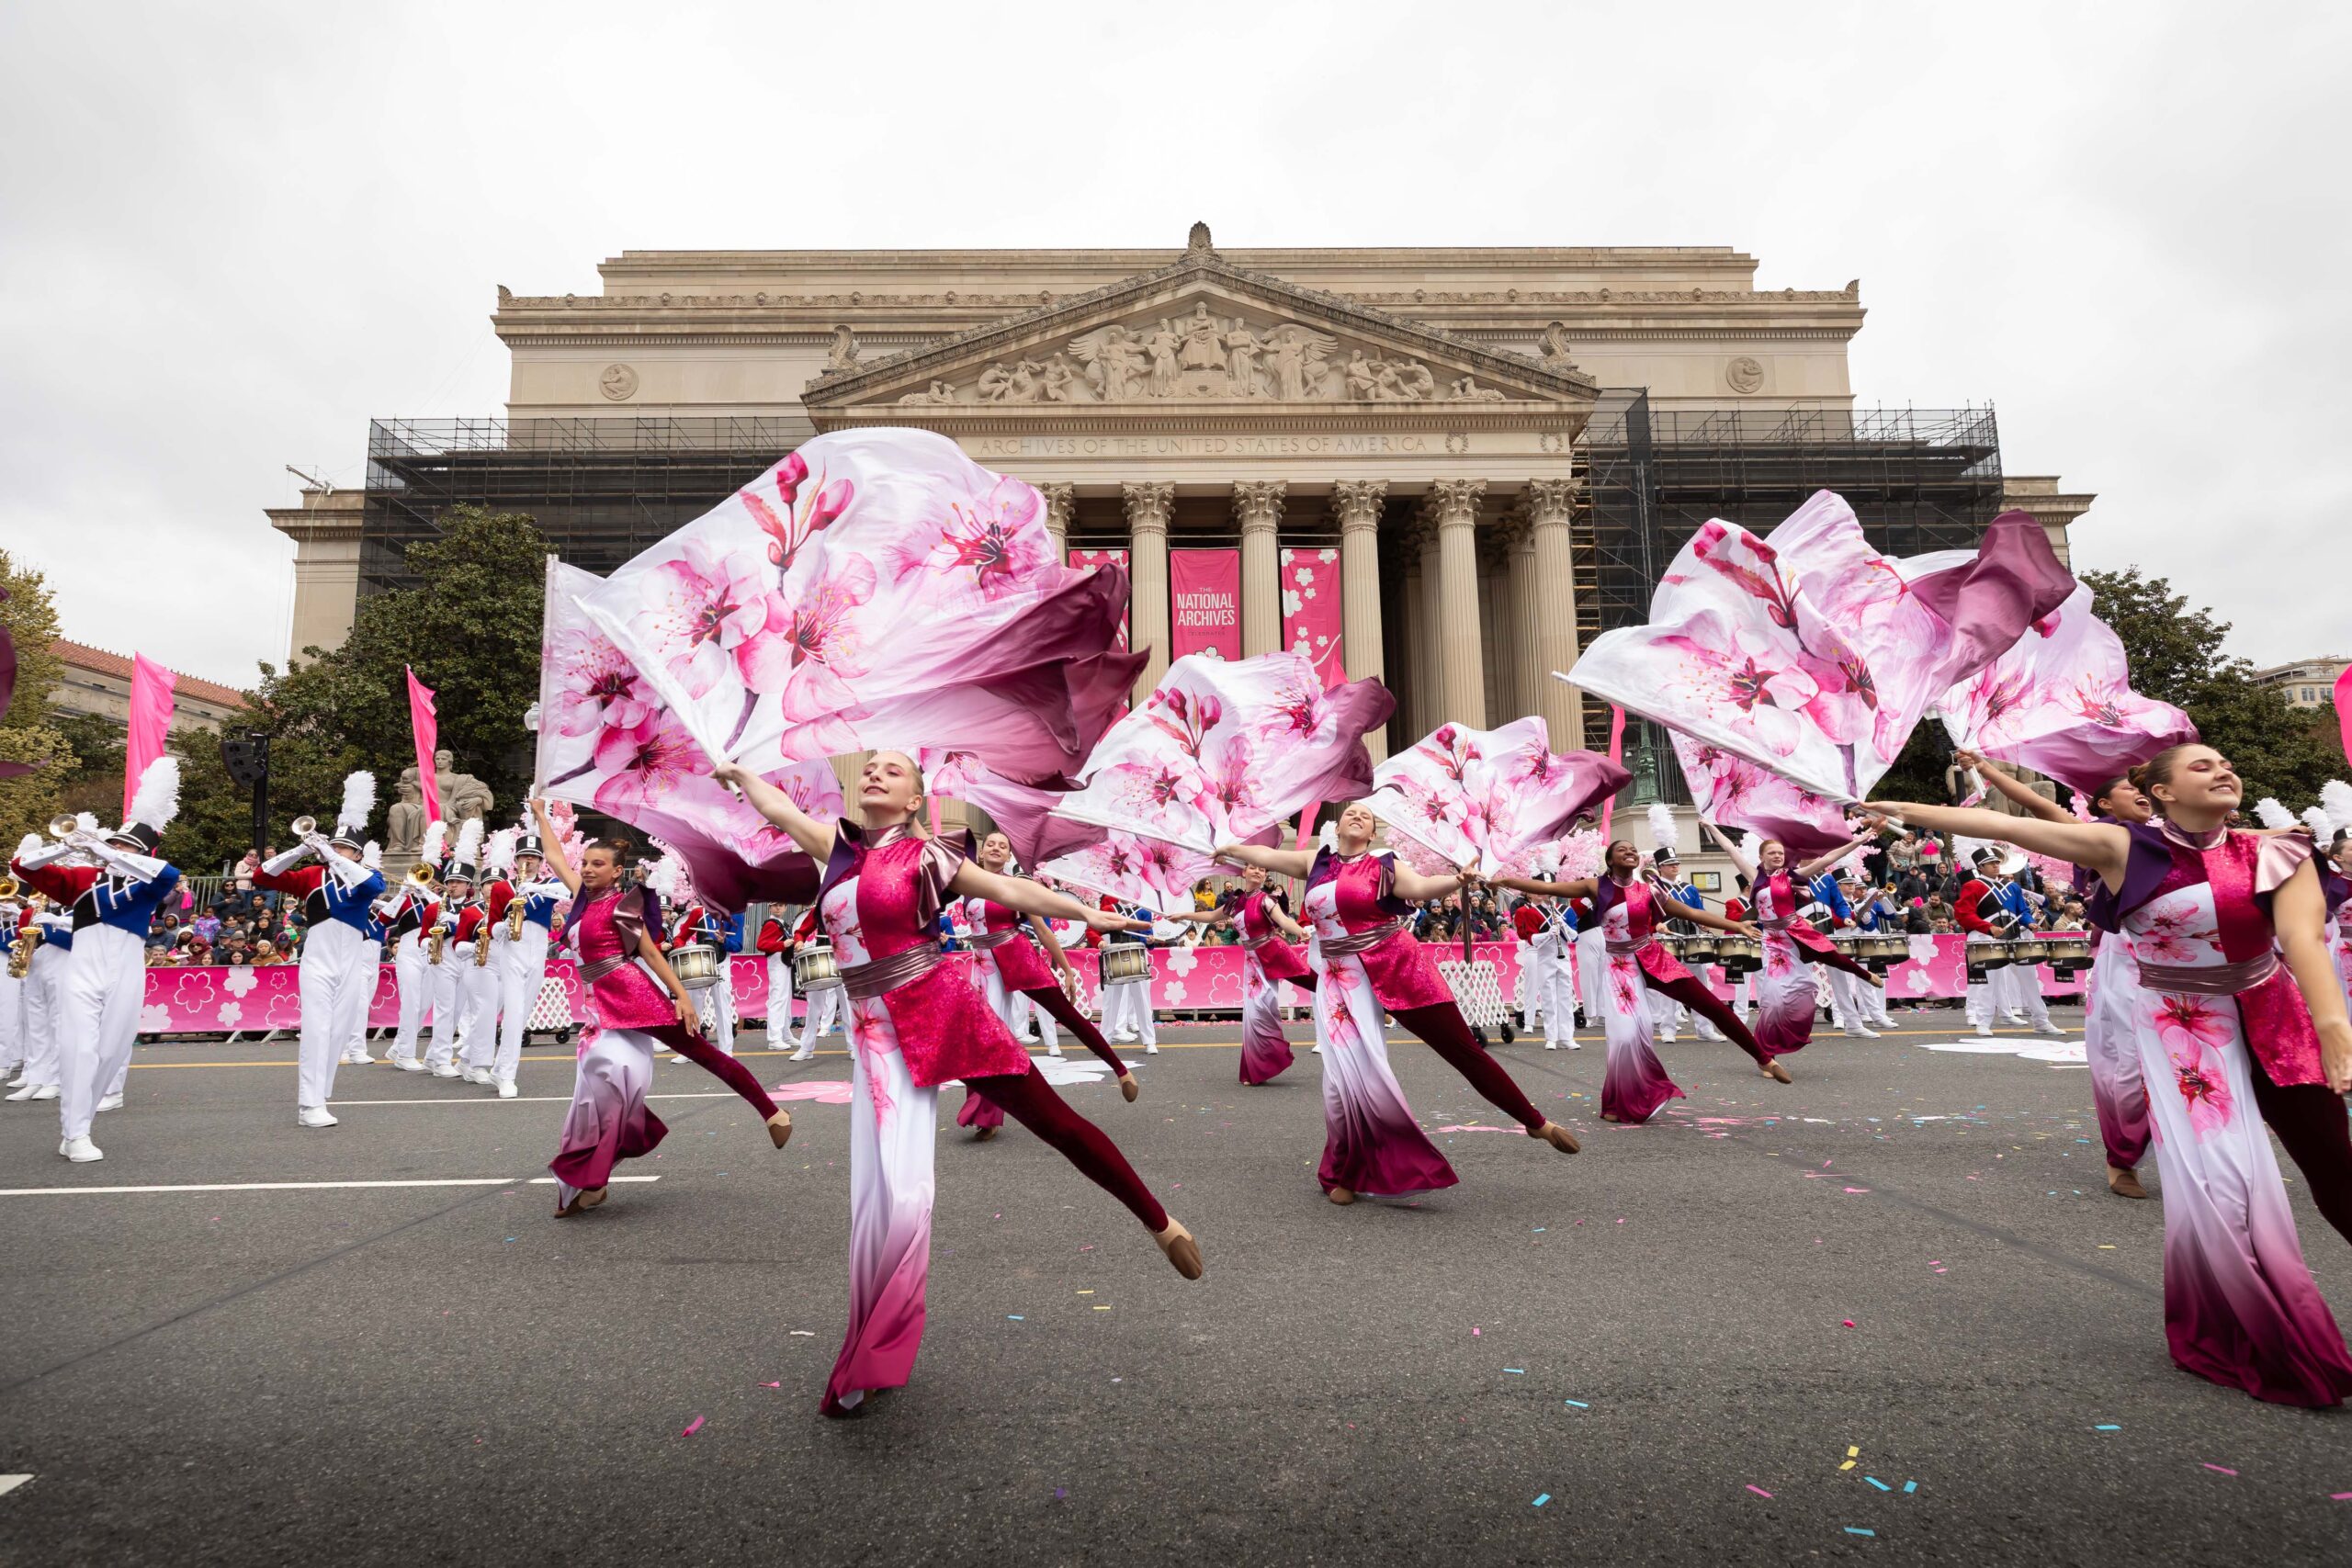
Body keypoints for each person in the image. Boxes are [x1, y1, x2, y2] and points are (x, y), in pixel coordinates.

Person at [717, 753, 1204, 1417]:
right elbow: (778, 808)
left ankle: (1160, 1221)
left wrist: (1091, 916)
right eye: (871, 767)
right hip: (876, 1035)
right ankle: (871, 1345)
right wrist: (740, 776)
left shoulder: (928, 856)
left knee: (1056, 1124)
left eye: (894, 771)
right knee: (885, 1196)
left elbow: (1018, 895)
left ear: (915, 800)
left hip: (944, 1008)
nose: (876, 774)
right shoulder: (837, 850)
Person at [1867, 743, 2352, 1406]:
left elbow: (2300, 939)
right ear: (2161, 793)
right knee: (2224, 1183)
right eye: (2201, 766)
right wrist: (1901, 806)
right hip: (2183, 1024)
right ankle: (2261, 1330)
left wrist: (2333, 1025)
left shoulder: (2278, 852)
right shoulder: (2125, 848)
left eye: (2226, 763)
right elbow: (2006, 823)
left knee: (2337, 1169)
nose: (2223, 770)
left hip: (2277, 1017)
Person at [1216, 802, 1583, 1205]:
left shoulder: (1383, 865)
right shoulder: (1315, 862)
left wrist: (1455, 880)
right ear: (1338, 825)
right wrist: (1230, 848)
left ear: (1372, 834)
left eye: (1366, 816)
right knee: (1343, 1078)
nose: (1358, 816)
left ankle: (1533, 1121)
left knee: (1464, 1050)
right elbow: (1266, 855)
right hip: (1341, 979)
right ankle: (1343, 1170)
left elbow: (1422, 888)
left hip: (1399, 964)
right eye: (1351, 813)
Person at [530, 814, 764, 1218]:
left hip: (631, 995)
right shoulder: (581, 898)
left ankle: (770, 1111)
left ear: (616, 872)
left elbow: (652, 955)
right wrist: (539, 813)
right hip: (598, 1008)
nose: (587, 869)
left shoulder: (623, 908)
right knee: (594, 1095)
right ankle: (594, 1180)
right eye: (584, 863)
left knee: (645, 1065)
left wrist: (681, 996)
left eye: (597, 864)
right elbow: (553, 856)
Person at [1957, 750, 2153, 1198]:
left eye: (2144, 788)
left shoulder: (2184, 834)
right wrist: (1984, 769)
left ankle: (2205, 1157)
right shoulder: (2096, 837)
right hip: (2129, 954)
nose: (2140, 793)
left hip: (2195, 964)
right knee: (2131, 1063)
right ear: (2103, 805)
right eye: (2129, 788)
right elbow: (2040, 806)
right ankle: (2124, 1155)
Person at [1498, 840, 1780, 1120]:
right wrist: (1503, 881)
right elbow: (1548, 888)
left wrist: (1735, 925)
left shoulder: (1649, 890)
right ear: (1610, 861)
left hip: (1653, 956)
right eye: (1622, 850)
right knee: (1626, 1036)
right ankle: (1615, 1103)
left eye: (1633, 849)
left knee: (1710, 1004)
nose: (1630, 852)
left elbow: (1692, 913)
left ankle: (1763, 1058)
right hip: (1620, 965)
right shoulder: (1596, 887)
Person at [11, 773, 184, 1163]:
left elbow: (168, 875)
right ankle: (75, 1133)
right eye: (115, 843)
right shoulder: (84, 879)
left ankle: (80, 1123)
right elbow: (22, 866)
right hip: (83, 967)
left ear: (141, 853)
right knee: (79, 1049)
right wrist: (66, 845)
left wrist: (110, 851)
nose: (116, 849)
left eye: (125, 846)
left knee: (110, 1052)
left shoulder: (148, 882)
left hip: (126, 969)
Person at [954, 830, 1141, 1134]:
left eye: (1003, 845)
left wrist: (1067, 970)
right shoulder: (966, 885)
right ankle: (986, 1115)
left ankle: (1121, 1071)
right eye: (991, 844)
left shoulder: (1017, 887)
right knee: (984, 1036)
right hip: (983, 965)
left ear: (1009, 855)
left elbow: (1042, 930)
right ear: (982, 852)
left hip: (1017, 955)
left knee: (1066, 1014)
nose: (997, 848)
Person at [252, 777, 387, 1129]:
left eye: (345, 848)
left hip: (351, 965)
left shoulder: (367, 875)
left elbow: (372, 887)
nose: (337, 851)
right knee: (316, 1029)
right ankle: (309, 1103)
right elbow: (262, 876)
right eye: (334, 845)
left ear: (358, 855)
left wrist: (332, 854)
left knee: (338, 1032)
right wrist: (301, 850)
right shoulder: (312, 875)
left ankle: (320, 1095)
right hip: (317, 963)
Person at [1702, 821, 1883, 1064]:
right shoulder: (1754, 877)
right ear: (1761, 856)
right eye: (1772, 853)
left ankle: (1865, 974)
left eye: (1780, 853)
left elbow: (1828, 858)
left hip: (1795, 929)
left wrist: (1859, 840)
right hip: (1773, 940)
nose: (1778, 856)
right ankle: (1766, 1054)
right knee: (1773, 998)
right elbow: (1729, 849)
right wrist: (1710, 827)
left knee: (1829, 956)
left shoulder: (1790, 876)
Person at [1210, 862, 1317, 1084]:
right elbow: (1211, 917)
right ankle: (1257, 1070)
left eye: (1262, 869)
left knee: (1263, 1010)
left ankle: (1264, 1065)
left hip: (1270, 955)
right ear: (1243, 872)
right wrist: (1182, 915)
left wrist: (1301, 932)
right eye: (1253, 867)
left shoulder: (1266, 900)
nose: (1258, 871)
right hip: (1251, 964)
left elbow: (1284, 921)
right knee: (1253, 1016)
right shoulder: (1235, 901)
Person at [487, 827, 566, 1099]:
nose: (528, 860)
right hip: (513, 949)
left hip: (538, 949)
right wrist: (504, 927)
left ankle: (499, 1067)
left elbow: (571, 890)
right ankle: (507, 1076)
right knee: (514, 1011)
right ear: (516, 859)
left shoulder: (549, 885)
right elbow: (491, 925)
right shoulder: (502, 887)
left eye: (534, 856)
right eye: (524, 856)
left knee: (523, 1014)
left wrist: (534, 888)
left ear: (541, 861)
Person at [379, 826, 446, 1074]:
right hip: (408, 951)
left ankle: (398, 1047)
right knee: (410, 1002)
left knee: (424, 1004)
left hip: (430, 952)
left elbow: (442, 910)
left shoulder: (437, 901)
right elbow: (384, 919)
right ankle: (406, 1054)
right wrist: (402, 894)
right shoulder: (406, 899)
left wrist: (426, 891)